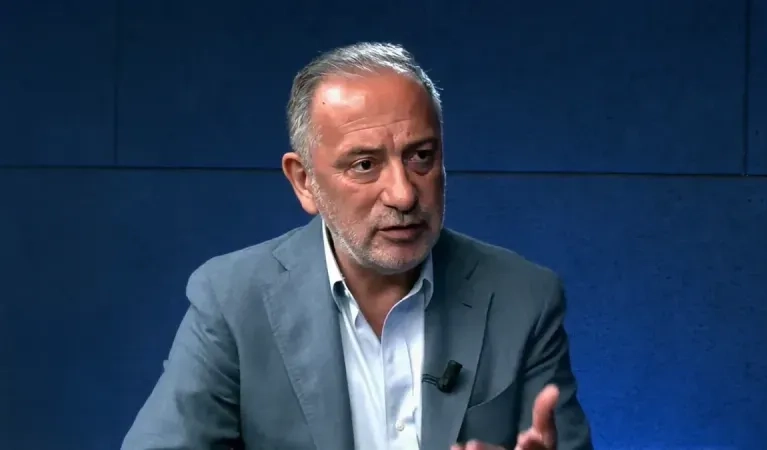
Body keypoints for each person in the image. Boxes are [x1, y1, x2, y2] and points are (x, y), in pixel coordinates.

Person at [122, 42, 593, 450]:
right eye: (365, 165)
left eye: (421, 157)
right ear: (304, 182)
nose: (404, 194)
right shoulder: (232, 300)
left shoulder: (524, 298)